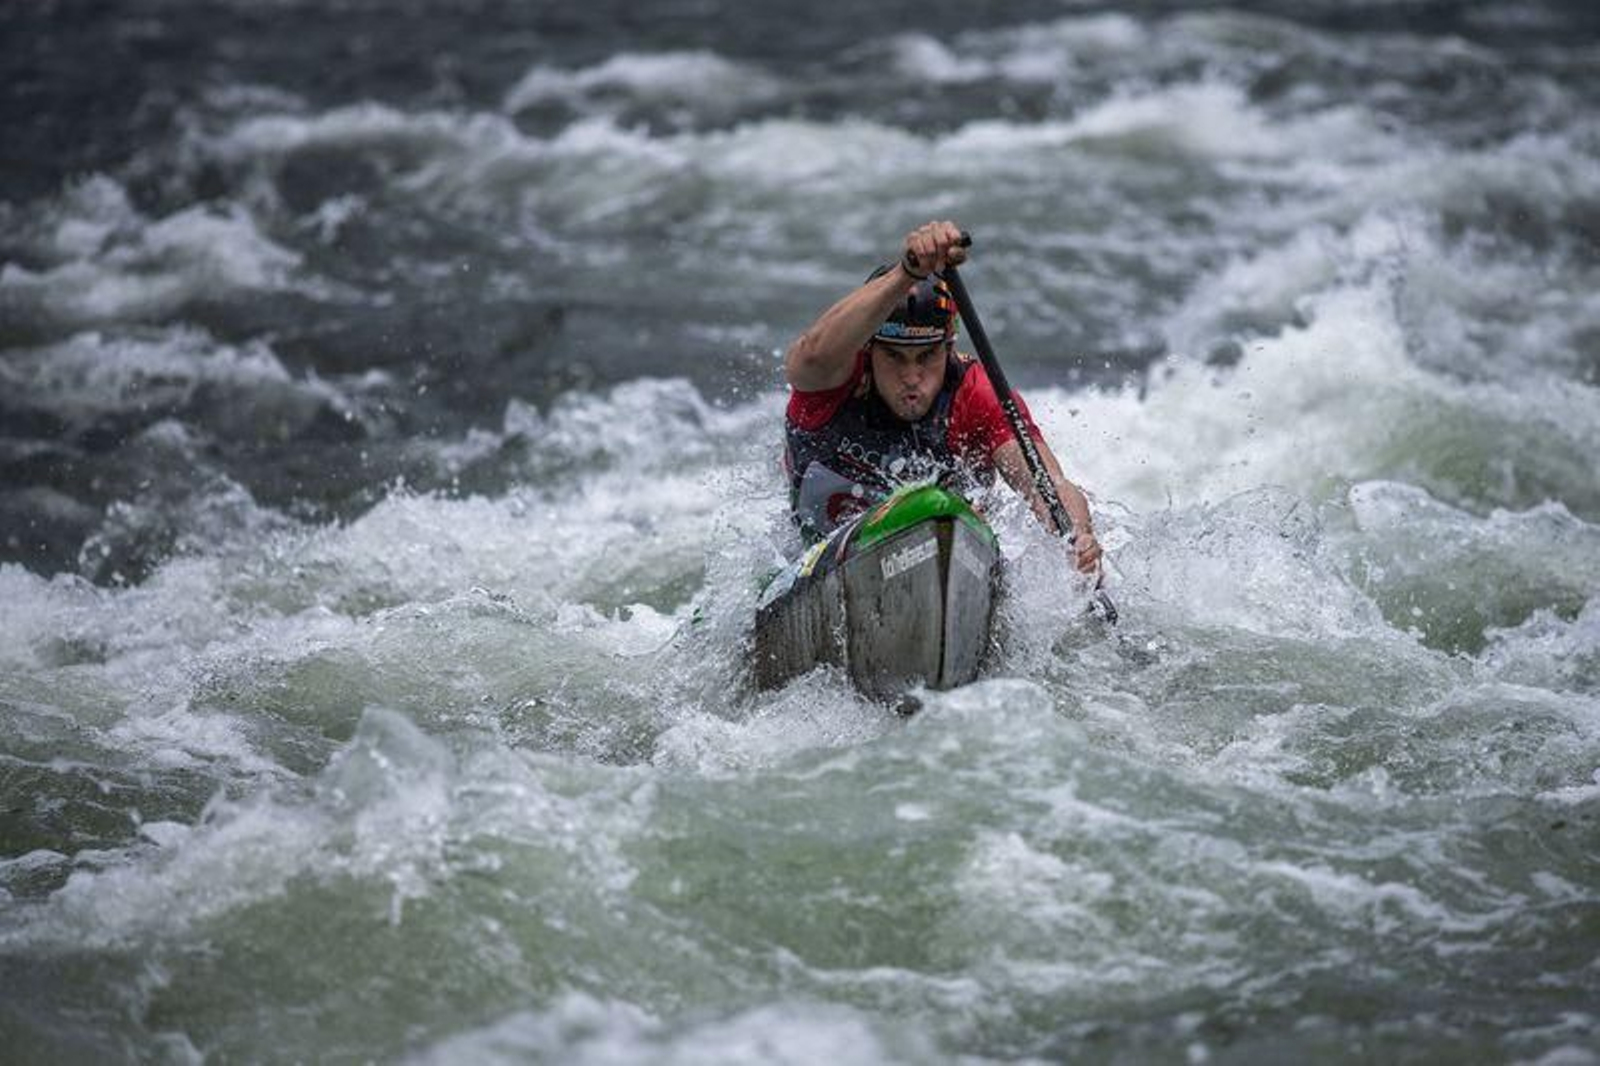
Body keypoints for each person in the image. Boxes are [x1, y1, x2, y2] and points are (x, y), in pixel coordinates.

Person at [782, 219, 1103, 575]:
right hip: (811, 562)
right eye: (894, 356)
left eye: (926, 356)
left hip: (945, 561)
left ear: (949, 348)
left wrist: (1079, 537)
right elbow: (809, 355)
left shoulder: (975, 394)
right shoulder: (833, 381)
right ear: (869, 350)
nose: (912, 377)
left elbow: (1048, 485)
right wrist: (908, 272)